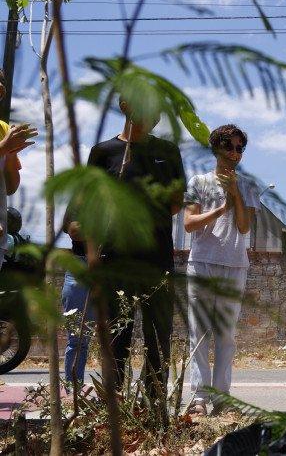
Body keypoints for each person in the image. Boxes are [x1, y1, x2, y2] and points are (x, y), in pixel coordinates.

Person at [67, 98, 185, 401]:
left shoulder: (167, 152)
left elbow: (175, 202)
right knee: (117, 336)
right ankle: (115, 406)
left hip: (157, 259)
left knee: (158, 337)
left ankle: (154, 403)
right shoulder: (103, 152)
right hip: (115, 261)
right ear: (125, 105)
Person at [183, 124, 259, 415]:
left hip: (235, 263)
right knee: (199, 332)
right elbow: (189, 224)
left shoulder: (248, 186)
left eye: (240, 148)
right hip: (202, 262)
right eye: (230, 146)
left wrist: (237, 195)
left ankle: (223, 398)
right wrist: (221, 208)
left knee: (226, 334)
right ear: (217, 149)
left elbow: (244, 227)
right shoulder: (199, 182)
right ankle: (199, 399)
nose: (235, 153)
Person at [0, 69, 37, 271]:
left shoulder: (4, 129)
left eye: (2, 81)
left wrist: (12, 154)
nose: (0, 86)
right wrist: (5, 148)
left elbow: (10, 187)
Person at [61, 215, 93, 394]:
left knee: (117, 337)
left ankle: (115, 397)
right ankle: (73, 394)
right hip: (80, 265)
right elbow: (73, 230)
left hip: (111, 266)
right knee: (77, 338)